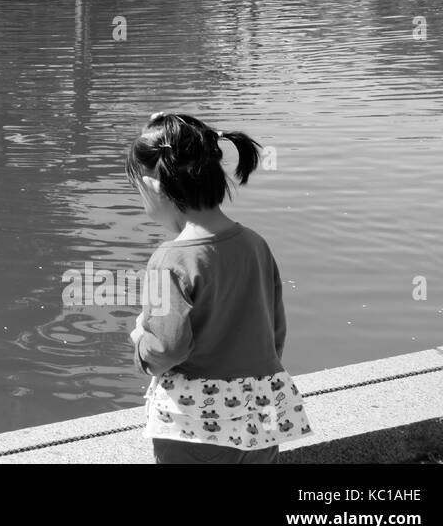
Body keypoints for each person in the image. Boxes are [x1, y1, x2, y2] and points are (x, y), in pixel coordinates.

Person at [125, 113, 312, 465]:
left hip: (195, 423)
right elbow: (274, 330)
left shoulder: (170, 260)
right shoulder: (255, 244)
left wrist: (140, 340)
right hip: (260, 410)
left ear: (153, 186)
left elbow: (168, 347)